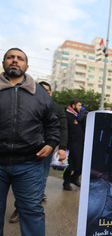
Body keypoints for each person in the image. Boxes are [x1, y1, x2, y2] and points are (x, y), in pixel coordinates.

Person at [0, 48, 60, 236]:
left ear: (27, 65)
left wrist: (51, 144)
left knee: (32, 212)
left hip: (29, 164)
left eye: (20, 58)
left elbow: (53, 123)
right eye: (10, 57)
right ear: (3, 63)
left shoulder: (40, 93)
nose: (15, 61)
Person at [8, 81, 68, 223]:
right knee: (23, 182)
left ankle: (31, 208)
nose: (44, 93)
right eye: (41, 90)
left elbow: (63, 129)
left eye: (47, 91)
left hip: (47, 150)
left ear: (51, 93)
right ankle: (20, 208)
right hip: (27, 151)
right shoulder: (25, 104)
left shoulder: (57, 109)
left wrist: (62, 148)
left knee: (41, 179)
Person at [63, 99, 84, 191]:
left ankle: (74, 178)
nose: (81, 107)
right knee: (69, 165)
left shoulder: (79, 116)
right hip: (70, 145)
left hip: (80, 145)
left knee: (81, 164)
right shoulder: (66, 115)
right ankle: (66, 182)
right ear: (73, 105)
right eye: (79, 105)